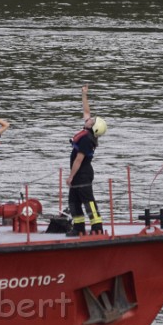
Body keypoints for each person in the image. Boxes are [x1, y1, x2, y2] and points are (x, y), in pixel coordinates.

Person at [66, 85, 108, 236]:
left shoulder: (86, 140)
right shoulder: (87, 132)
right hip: (78, 174)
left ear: (94, 128)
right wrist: (84, 95)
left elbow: (78, 160)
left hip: (82, 173)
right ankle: (78, 227)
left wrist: (70, 176)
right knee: (73, 201)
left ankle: (97, 226)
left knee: (88, 200)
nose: (90, 119)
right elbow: (86, 112)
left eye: (92, 121)